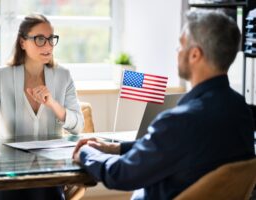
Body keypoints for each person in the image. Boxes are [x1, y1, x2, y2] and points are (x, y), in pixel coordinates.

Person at [72, 10, 255, 200]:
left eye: (181, 45)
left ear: (195, 55)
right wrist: (115, 148)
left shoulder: (180, 121)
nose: (177, 51)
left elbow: (121, 174)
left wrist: (86, 153)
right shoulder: (241, 110)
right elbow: (169, 146)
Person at [0, 14, 84, 200]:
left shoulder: (64, 76)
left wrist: (53, 104)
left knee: (42, 190)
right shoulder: (0, 76)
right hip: (7, 173)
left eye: (51, 38)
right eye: (40, 39)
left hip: (49, 173)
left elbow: (78, 125)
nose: (48, 45)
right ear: (23, 42)